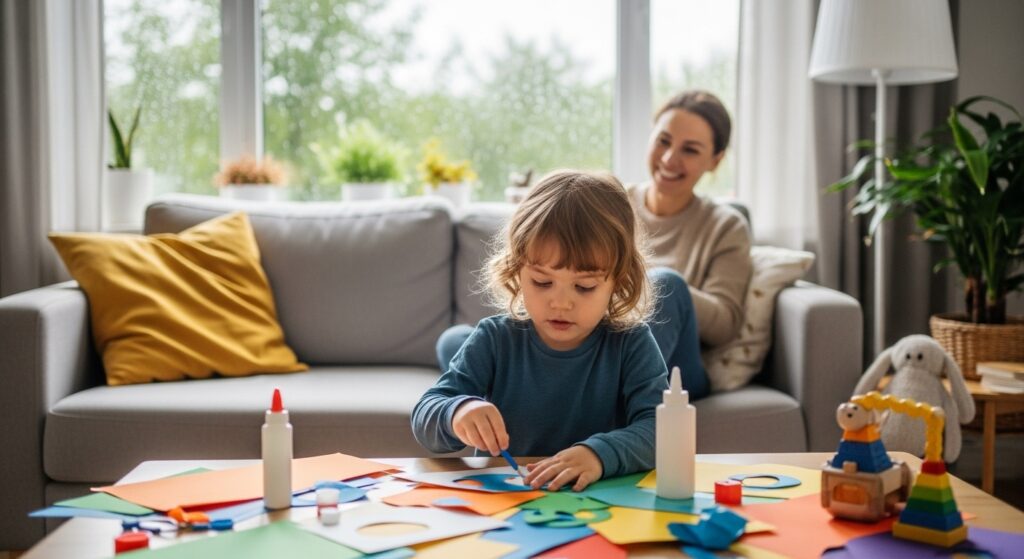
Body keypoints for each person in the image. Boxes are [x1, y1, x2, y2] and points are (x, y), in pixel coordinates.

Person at [412, 170, 667, 492]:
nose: (560, 303)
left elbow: (662, 429)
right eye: (542, 282)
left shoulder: (632, 343)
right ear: (516, 271)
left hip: (600, 505)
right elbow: (426, 412)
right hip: (508, 506)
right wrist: (457, 410)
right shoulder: (494, 339)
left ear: (619, 281)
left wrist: (598, 454)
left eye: (584, 287)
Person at [630, 90, 753, 399]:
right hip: (604, 347)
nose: (670, 158)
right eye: (663, 141)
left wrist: (655, 281)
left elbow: (725, 323)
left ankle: (615, 415)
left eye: (690, 150)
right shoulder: (612, 204)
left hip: (679, 370)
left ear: (715, 160)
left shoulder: (726, 226)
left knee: (667, 284)